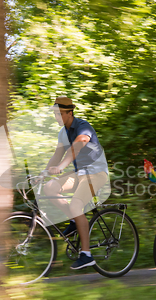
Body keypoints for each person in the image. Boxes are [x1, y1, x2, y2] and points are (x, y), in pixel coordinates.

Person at [43, 96, 109, 270]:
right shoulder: (63, 133)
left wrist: (61, 166)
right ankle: (74, 221)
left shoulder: (83, 126)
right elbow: (57, 155)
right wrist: (43, 173)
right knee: (49, 187)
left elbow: (77, 146)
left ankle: (86, 255)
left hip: (96, 173)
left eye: (59, 114)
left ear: (69, 113)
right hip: (80, 173)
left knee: (75, 205)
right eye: (55, 114)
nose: (56, 117)